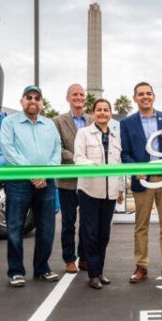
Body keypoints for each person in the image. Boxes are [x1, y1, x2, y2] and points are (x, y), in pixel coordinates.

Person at [0, 85, 62, 287]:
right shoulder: (9, 122)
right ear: (22, 101)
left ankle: (42, 268)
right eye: (29, 97)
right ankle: (16, 271)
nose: (33, 101)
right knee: (15, 227)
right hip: (19, 182)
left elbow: (56, 151)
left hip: (47, 182)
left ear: (41, 103)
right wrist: (33, 174)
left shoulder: (49, 124)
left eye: (37, 98)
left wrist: (46, 174)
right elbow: (8, 151)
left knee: (46, 228)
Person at [120, 82, 162, 283]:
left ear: (153, 96)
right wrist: (136, 169)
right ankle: (142, 266)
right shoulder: (127, 123)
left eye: (148, 93)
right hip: (142, 180)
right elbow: (125, 153)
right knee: (141, 226)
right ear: (135, 98)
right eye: (141, 94)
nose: (145, 97)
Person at [73, 99, 125, 289]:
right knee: (90, 233)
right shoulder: (83, 133)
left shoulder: (115, 136)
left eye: (106, 110)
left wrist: (119, 188)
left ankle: (100, 271)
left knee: (104, 234)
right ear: (93, 113)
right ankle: (93, 274)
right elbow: (78, 159)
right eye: (99, 110)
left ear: (111, 114)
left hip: (109, 193)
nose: (102, 113)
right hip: (89, 190)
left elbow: (118, 165)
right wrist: (91, 165)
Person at [54, 84, 94, 274]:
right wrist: (81, 160)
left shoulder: (93, 120)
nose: (78, 97)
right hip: (68, 180)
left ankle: (84, 257)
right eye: (74, 94)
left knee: (87, 223)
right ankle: (69, 259)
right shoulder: (58, 121)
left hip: (89, 181)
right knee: (69, 223)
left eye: (81, 94)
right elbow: (58, 149)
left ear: (85, 98)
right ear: (68, 98)